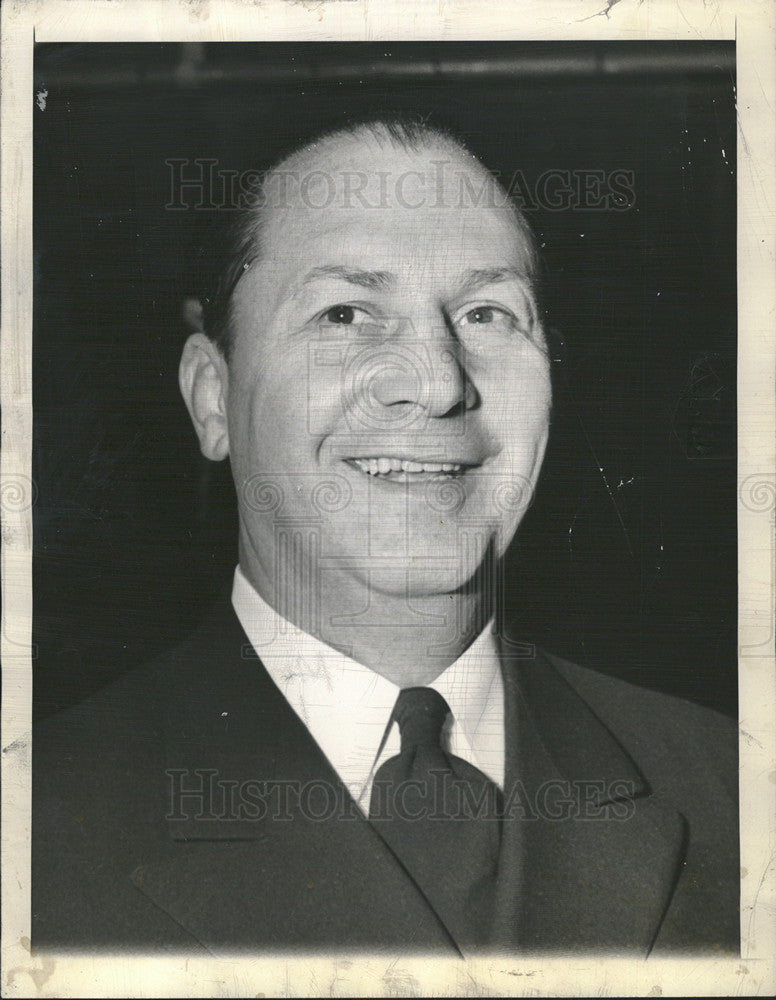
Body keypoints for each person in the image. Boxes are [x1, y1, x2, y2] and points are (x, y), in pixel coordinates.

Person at [32, 119, 738, 956]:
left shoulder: (733, 784)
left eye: (486, 312)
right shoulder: (38, 818)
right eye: (346, 313)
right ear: (212, 399)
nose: (437, 383)